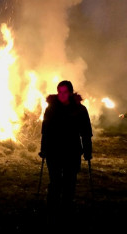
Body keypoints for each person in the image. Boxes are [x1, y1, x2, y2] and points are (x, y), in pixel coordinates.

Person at [39, 80, 93, 224]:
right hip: (53, 152)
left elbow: (86, 132)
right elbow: (46, 131)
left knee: (69, 183)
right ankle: (52, 210)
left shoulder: (80, 110)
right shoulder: (51, 108)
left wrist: (88, 151)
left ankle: (66, 210)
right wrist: (43, 149)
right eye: (59, 92)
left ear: (70, 92)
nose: (61, 95)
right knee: (55, 182)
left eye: (64, 92)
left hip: (72, 151)